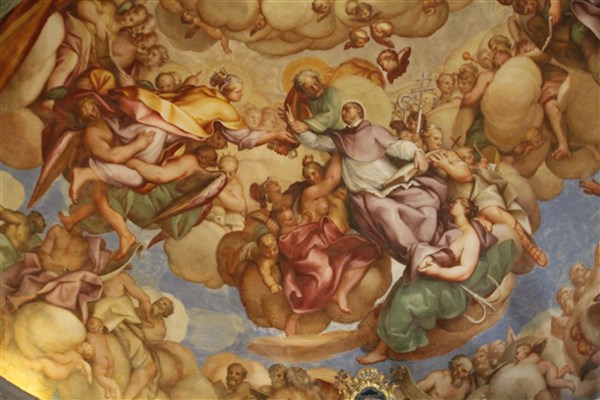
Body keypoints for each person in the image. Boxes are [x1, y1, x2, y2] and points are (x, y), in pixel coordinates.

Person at [292, 101, 451, 271]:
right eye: (342, 110)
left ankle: (431, 245)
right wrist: (298, 130)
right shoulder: (340, 138)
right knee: (385, 212)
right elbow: (315, 141)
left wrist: (416, 152)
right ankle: (415, 251)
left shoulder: (374, 131)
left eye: (347, 109)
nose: (343, 112)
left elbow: (397, 147)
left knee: (424, 201)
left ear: (358, 110)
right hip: (366, 192)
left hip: (389, 182)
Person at [357, 198, 516, 363]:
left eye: (457, 202)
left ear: (464, 209)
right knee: (401, 287)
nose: (452, 203)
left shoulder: (471, 237)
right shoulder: (455, 228)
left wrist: (438, 271)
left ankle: (384, 349)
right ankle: (383, 340)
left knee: (407, 301)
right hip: (435, 278)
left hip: (450, 289)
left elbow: (465, 272)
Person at [279, 152, 380, 335]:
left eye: (314, 172)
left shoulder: (335, 196)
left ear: (321, 170)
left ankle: (341, 292)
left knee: (368, 251)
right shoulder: (312, 194)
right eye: (308, 176)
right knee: (324, 274)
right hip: (316, 242)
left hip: (336, 240)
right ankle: (294, 316)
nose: (312, 178)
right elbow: (332, 179)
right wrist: (338, 150)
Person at [453, 146, 548, 266]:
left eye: (470, 155)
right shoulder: (461, 171)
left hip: (487, 197)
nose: (470, 158)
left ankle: (530, 248)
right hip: (476, 201)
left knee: (499, 215)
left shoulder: (476, 167)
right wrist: (482, 169)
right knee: (495, 216)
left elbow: (493, 178)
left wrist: (485, 168)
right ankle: (530, 249)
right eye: (465, 157)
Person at [85, 317, 121, 399]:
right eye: (91, 329)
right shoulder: (96, 336)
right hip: (105, 363)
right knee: (106, 379)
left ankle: (109, 391)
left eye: (97, 327)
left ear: (101, 326)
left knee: (102, 377)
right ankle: (110, 392)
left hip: (104, 362)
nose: (95, 330)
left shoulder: (96, 336)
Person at [26, 342, 94, 385]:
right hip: (62, 375)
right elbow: (87, 368)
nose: (79, 345)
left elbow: (63, 359)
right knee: (46, 365)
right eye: (81, 344)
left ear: (83, 353)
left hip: (57, 371)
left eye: (81, 346)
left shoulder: (74, 354)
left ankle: (28, 364)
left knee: (44, 362)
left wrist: (52, 354)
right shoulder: (80, 361)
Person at [214, 154, 247, 232]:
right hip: (217, 214)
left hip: (231, 215)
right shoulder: (215, 180)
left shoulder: (235, 185)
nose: (227, 176)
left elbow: (240, 206)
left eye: (230, 173)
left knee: (237, 221)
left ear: (235, 172)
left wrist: (220, 192)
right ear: (219, 170)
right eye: (224, 172)